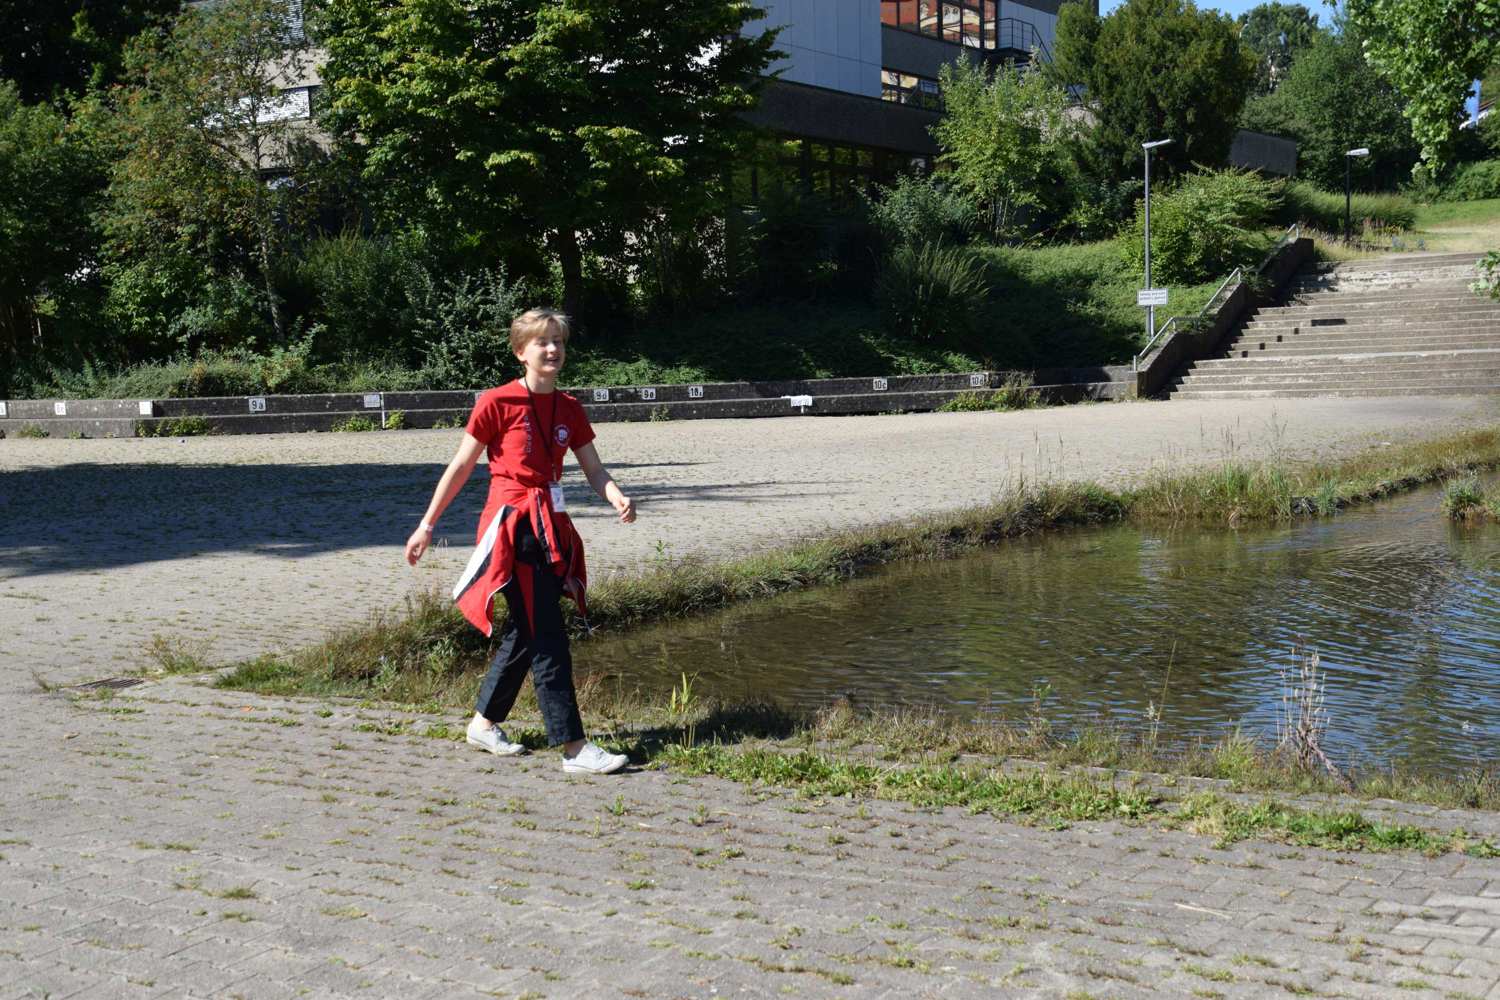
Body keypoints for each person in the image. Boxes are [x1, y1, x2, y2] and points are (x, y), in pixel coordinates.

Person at [404, 308, 636, 775]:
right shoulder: (496, 402)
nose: (553, 349)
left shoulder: (569, 407)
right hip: (512, 531)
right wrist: (427, 524)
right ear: (520, 352)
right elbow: (461, 466)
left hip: (551, 527)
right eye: (542, 342)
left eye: (559, 341)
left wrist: (615, 495)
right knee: (547, 635)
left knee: (530, 628)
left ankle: (483, 723)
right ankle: (574, 748)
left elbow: (593, 468)